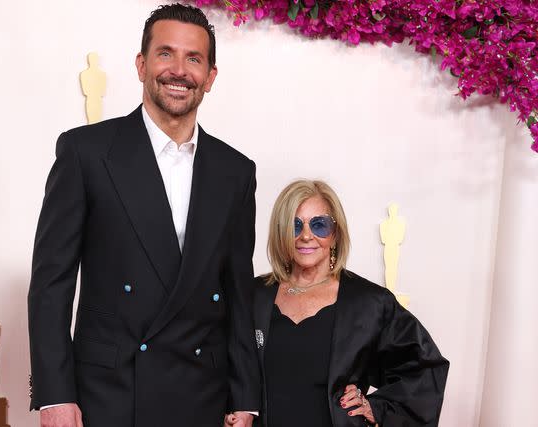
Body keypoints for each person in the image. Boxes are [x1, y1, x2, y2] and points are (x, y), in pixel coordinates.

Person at [27, 4, 260, 427]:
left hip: (202, 397)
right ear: (141, 64)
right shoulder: (86, 153)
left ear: (210, 77)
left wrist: (245, 398)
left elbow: (238, 294)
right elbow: (51, 283)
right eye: (165, 53)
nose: (179, 70)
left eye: (194, 59)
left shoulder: (236, 172)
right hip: (109, 395)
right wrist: (54, 396)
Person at [229, 180, 448, 426]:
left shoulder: (369, 303)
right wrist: (239, 409)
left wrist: (376, 407)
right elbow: (226, 365)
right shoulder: (254, 296)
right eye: (295, 225)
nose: (306, 236)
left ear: (335, 234)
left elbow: (424, 369)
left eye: (320, 225)